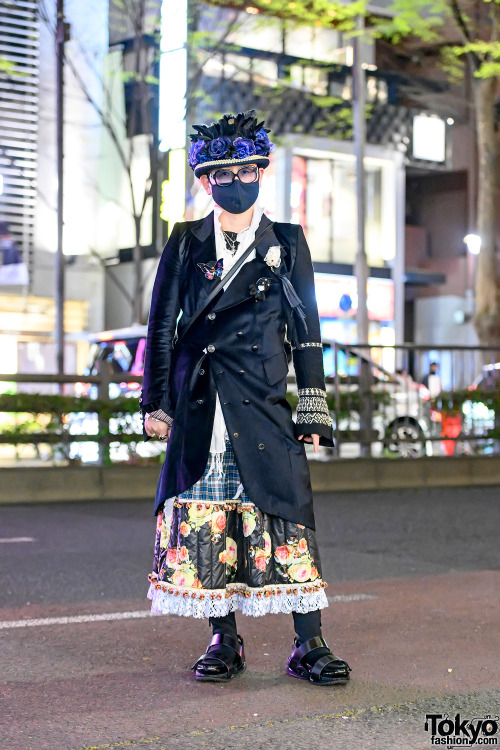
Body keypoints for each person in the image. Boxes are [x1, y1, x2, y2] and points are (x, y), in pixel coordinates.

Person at [140, 110, 351, 686]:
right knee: (205, 520)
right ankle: (223, 638)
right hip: (201, 400)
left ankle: (309, 644)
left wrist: (312, 403)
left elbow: (306, 328)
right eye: (220, 174)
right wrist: (156, 403)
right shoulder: (186, 242)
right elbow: (161, 327)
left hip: (263, 399)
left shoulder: (288, 240)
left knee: (284, 514)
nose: (234, 181)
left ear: (262, 170)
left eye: (244, 170)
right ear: (204, 182)